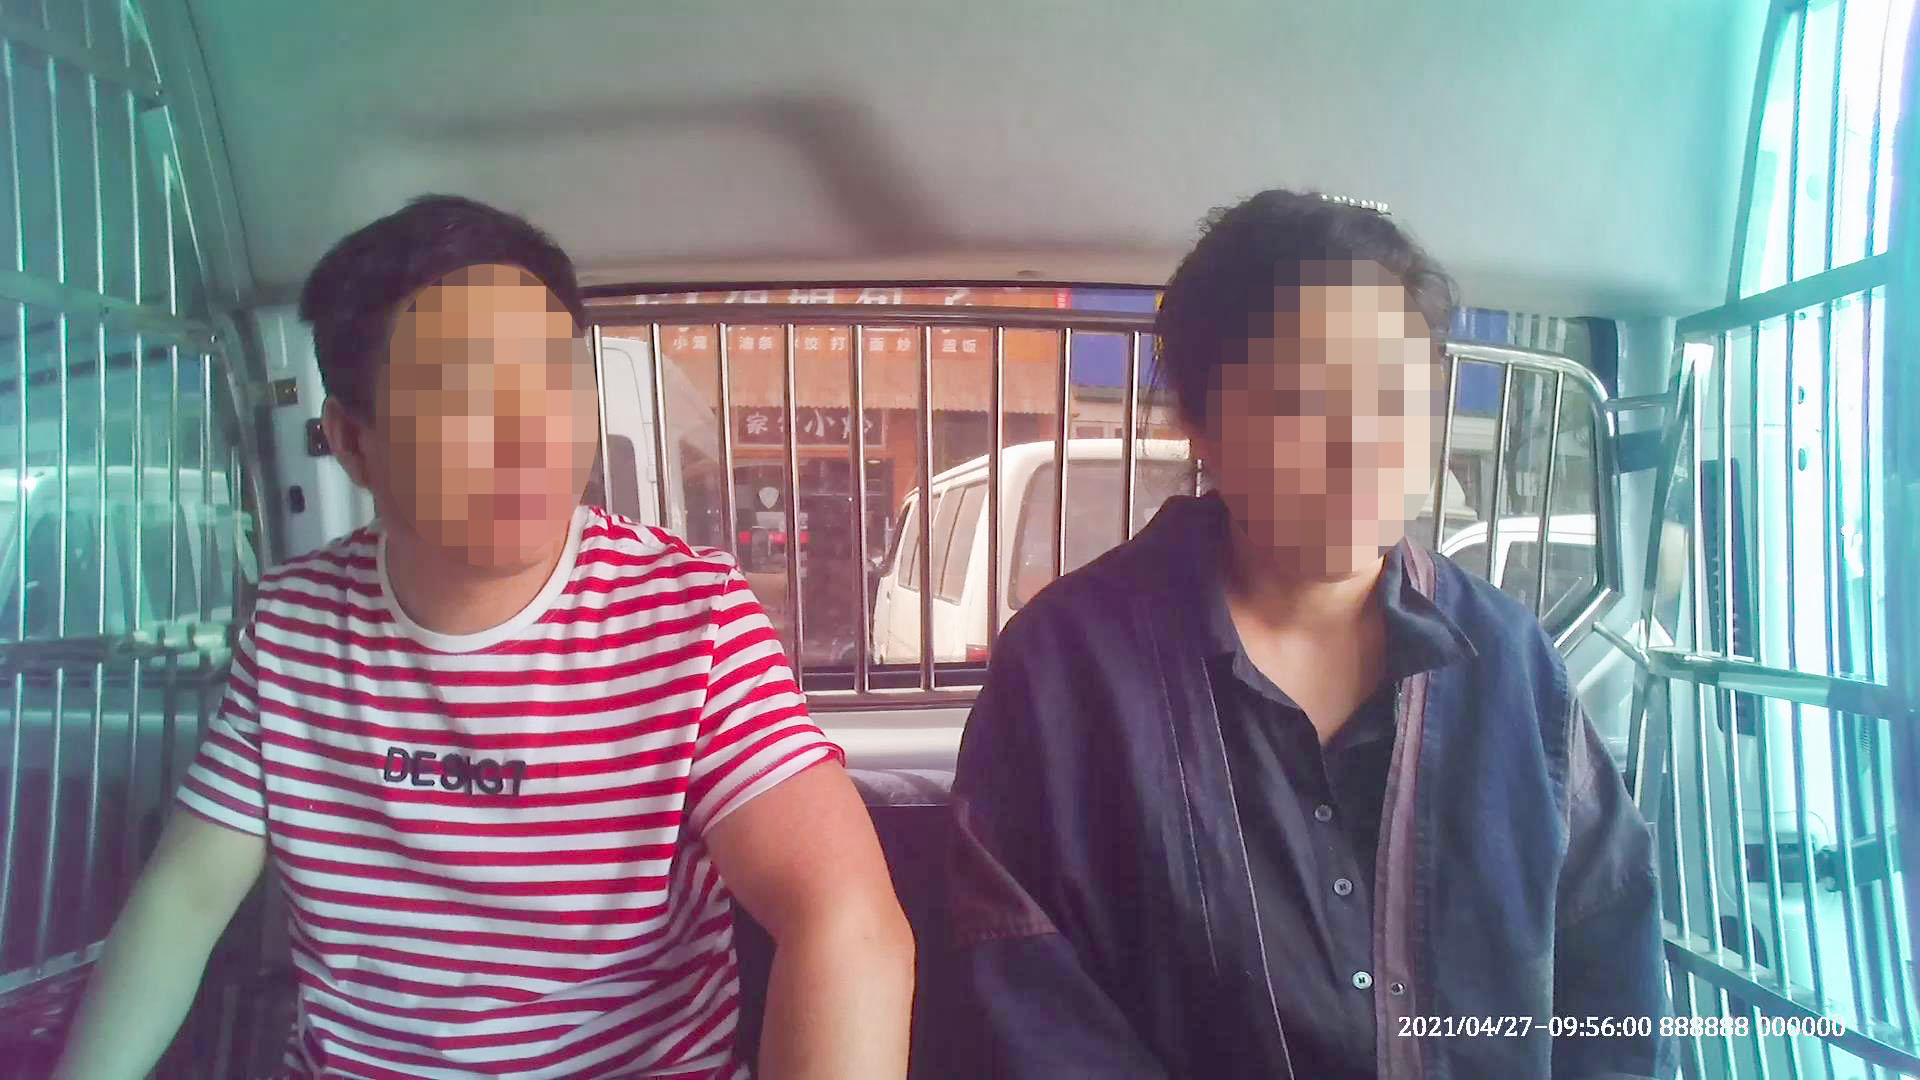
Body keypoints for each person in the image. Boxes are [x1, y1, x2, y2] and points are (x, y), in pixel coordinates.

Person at [54, 195, 914, 1080]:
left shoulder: (692, 618)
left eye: (552, 377)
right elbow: (184, 900)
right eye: (461, 391)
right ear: (353, 441)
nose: (526, 430)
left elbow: (842, 919)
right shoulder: (292, 626)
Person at [942, 189, 1675, 1079]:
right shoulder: (1066, 670)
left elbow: (1610, 964)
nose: (1361, 442)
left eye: (1395, 395)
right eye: (1302, 399)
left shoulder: (1512, 666)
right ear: (1199, 421)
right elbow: (1026, 1007)